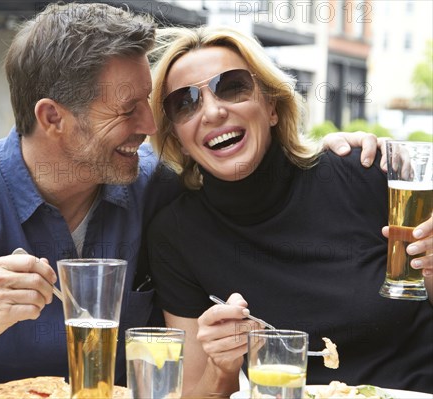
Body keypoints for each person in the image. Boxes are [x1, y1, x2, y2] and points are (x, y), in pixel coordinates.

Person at [0, 4, 381, 398]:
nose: (150, 126)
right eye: (128, 111)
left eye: (150, 105)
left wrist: (336, 159)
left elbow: (257, 181)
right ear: (53, 118)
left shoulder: (156, 190)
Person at [145, 26, 433, 397]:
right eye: (184, 103)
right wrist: (221, 366)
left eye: (232, 86)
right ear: (178, 140)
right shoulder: (177, 235)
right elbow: (195, 393)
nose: (213, 111)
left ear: (273, 106)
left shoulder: (363, 172)